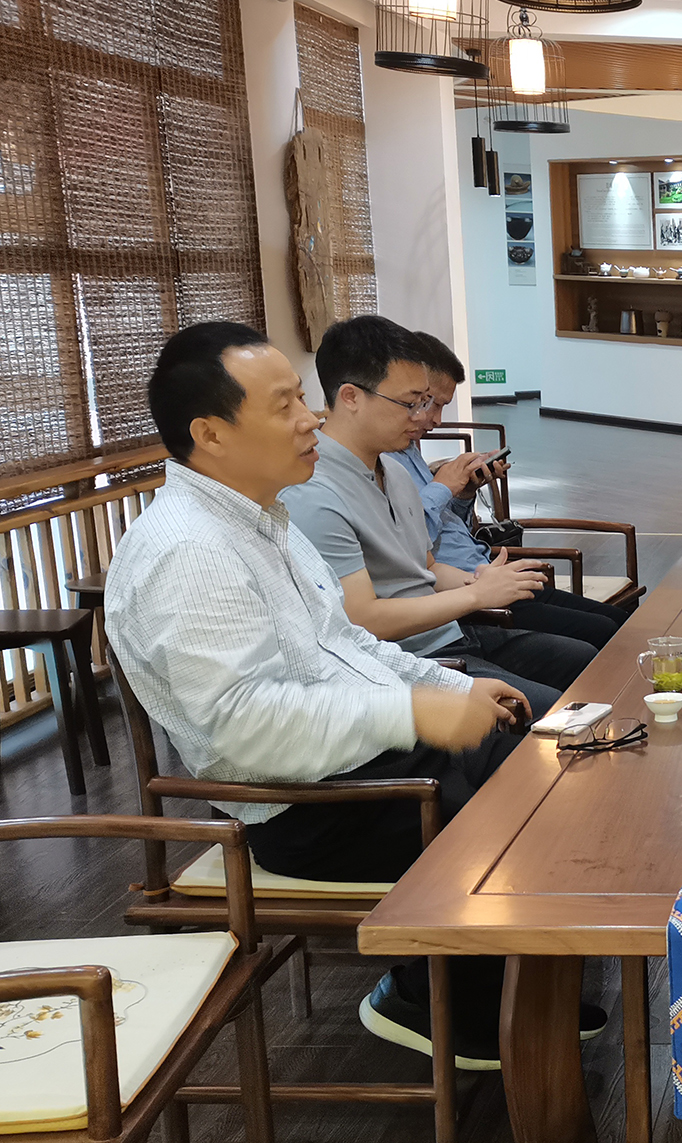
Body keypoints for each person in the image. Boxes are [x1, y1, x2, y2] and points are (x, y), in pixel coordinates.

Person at [103, 321, 600, 1070]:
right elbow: (243, 726)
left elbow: (348, 643)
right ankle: (437, 1001)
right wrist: (415, 710)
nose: (309, 419)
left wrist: (453, 683)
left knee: (538, 757)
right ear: (211, 433)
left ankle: (504, 982)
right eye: (283, 406)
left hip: (352, 761)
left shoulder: (264, 519)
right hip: (302, 807)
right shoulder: (190, 550)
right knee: (520, 801)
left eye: (300, 398)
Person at [279, 315, 593, 717]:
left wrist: (481, 579)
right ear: (351, 397)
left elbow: (426, 568)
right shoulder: (312, 492)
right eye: (411, 403)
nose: (423, 417)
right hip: (404, 661)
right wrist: (475, 595)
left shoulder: (393, 470)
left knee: (586, 659)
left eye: (425, 402)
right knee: (553, 711)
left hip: (452, 633)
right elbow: (362, 619)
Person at [386, 331, 630, 650]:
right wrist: (442, 487)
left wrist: (462, 494)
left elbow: (446, 528)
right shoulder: (381, 463)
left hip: (488, 574)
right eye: (425, 404)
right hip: (466, 597)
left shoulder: (407, 451)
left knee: (621, 622)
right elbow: (408, 545)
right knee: (603, 634)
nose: (434, 419)